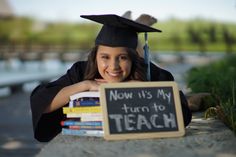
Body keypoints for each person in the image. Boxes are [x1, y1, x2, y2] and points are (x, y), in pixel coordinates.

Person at [30, 14, 192, 142]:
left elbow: (181, 114)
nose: (113, 66)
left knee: (190, 100)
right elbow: (41, 102)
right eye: (105, 57)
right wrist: (86, 85)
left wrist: (139, 90)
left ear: (133, 59)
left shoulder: (150, 73)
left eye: (122, 57)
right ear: (95, 57)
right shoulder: (81, 71)